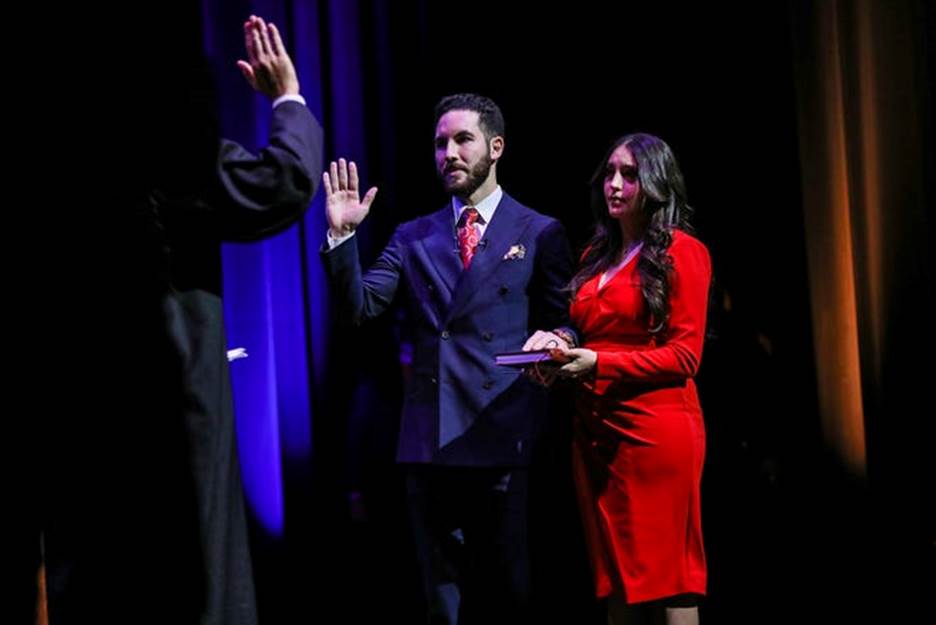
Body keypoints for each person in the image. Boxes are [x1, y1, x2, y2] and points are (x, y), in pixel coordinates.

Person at [40, 14, 323, 625]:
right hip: (161, 386)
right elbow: (284, 183)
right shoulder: (157, 145)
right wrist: (288, 99)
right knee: (190, 556)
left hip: (72, 395)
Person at [320, 93, 575, 624]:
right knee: (443, 604)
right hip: (430, 444)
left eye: (462, 140)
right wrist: (343, 238)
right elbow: (360, 309)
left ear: (496, 147)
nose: (449, 153)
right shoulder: (414, 236)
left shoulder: (539, 230)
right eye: (440, 144)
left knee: (510, 593)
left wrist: (556, 336)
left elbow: (566, 315)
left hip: (503, 434)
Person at [526, 133, 710, 625]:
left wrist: (598, 364)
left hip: (656, 434)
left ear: (655, 182)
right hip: (596, 432)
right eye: (609, 173)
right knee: (616, 578)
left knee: (672, 580)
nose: (614, 184)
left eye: (628, 175)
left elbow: (684, 357)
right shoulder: (596, 256)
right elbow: (588, 329)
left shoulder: (683, 251)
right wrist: (556, 345)